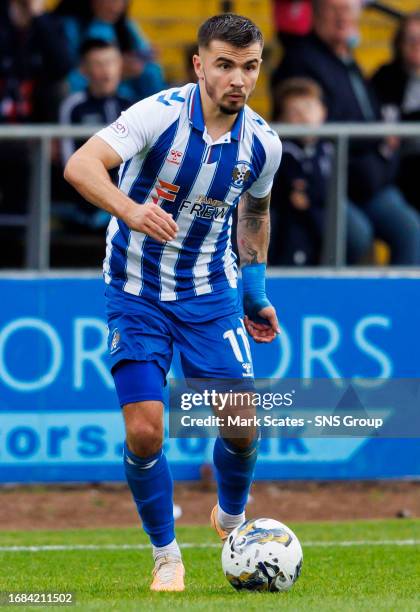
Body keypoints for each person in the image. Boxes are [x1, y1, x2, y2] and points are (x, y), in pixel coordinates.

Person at [64, 13, 282, 592]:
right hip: (135, 291)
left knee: (241, 425)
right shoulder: (156, 115)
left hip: (210, 294)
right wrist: (130, 211)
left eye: (250, 66)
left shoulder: (263, 143)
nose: (239, 78)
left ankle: (232, 519)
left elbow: (254, 212)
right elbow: (80, 165)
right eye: (226, 65)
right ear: (199, 65)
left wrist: (254, 291)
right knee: (144, 433)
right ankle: (167, 556)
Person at [272, 0, 420, 265]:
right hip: (328, 182)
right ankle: (345, 302)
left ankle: (402, 304)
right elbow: (314, 131)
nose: (343, 18)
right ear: (316, 14)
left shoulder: (348, 61)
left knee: (410, 229)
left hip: (371, 181)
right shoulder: (301, 59)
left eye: (348, 11)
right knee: (356, 234)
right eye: (334, 10)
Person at [270, 77, 372, 265]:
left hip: (322, 217)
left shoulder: (329, 147)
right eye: (294, 112)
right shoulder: (282, 151)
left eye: (308, 108)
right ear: (281, 119)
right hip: (293, 226)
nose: (303, 118)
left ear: (323, 112)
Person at [53, 39, 130, 232]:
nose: (106, 70)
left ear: (120, 65)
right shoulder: (73, 107)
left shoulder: (132, 106)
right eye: (98, 64)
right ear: (84, 70)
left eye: (111, 62)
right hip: (85, 198)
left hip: (126, 195)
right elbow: (68, 159)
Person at [54, 0, 165, 103]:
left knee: (152, 71)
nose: (116, 6)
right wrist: (114, 71)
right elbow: (67, 73)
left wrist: (142, 62)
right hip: (87, 96)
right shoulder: (71, 26)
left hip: (126, 100)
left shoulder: (126, 27)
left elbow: (145, 56)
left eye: (122, 1)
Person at [371, 12, 420, 211]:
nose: (416, 45)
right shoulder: (385, 76)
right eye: (410, 39)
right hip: (396, 167)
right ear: (399, 44)